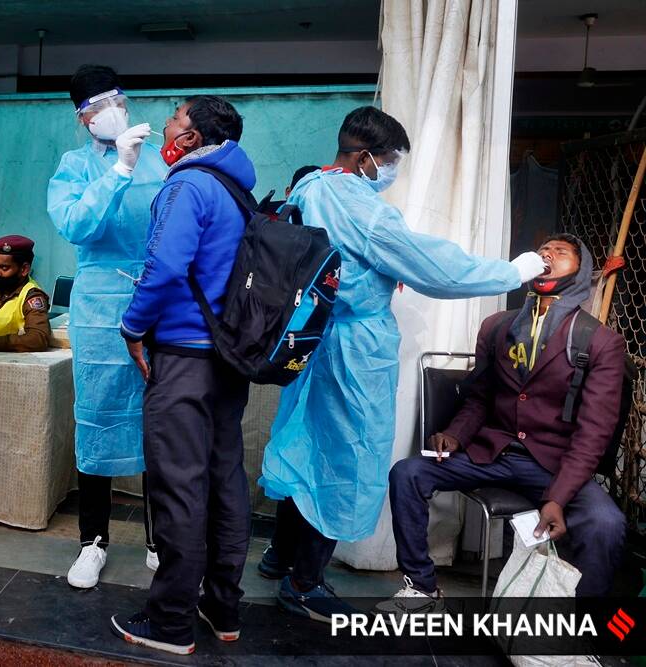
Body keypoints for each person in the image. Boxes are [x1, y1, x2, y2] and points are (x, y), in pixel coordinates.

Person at [257, 106, 548, 622]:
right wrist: (510, 271)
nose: (390, 171)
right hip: (353, 348)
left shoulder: (309, 187)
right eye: (390, 161)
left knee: (304, 450)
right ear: (367, 157)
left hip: (314, 337)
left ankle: (279, 557)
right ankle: (304, 583)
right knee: (348, 461)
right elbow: (431, 264)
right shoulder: (357, 205)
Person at [384, 234, 626, 607]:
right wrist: (455, 434)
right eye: (543, 249)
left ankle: (581, 626)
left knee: (606, 524)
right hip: (492, 452)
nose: (547, 254)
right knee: (407, 473)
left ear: (582, 272)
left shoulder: (599, 341)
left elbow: (594, 432)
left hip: (552, 464)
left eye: (561, 253)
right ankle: (421, 587)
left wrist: (558, 497)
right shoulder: (497, 326)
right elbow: (480, 398)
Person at [113, 95, 256, 655]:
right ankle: (222, 607)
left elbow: (166, 266)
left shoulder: (187, 185)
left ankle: (170, 622)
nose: (168, 125)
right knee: (225, 480)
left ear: (192, 136)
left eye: (175, 119)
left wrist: (132, 326)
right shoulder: (236, 189)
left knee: (178, 486)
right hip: (226, 359)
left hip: (184, 358)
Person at [47, 64, 168, 588]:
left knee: (159, 421)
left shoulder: (163, 162)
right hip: (99, 308)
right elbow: (76, 225)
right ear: (83, 118)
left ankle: (159, 538)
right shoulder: (75, 165)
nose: (111, 113)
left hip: (158, 300)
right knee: (96, 419)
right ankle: (92, 541)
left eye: (116, 100)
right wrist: (117, 172)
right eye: (97, 108)